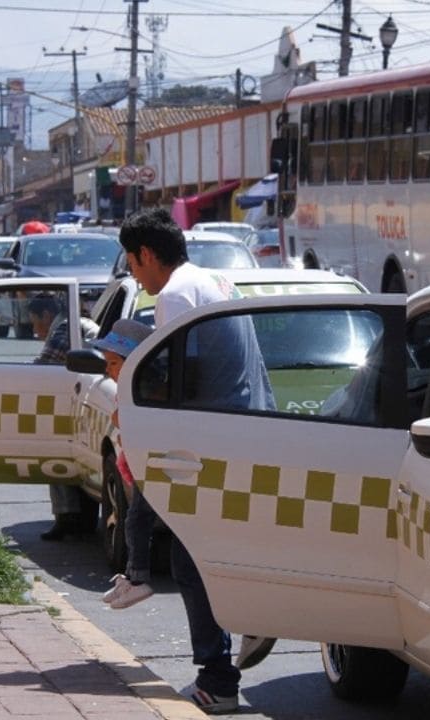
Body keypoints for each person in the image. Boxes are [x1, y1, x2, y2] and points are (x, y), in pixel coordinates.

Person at [118, 206, 276, 714]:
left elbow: (180, 382)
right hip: (246, 430)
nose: (133, 276)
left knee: (190, 561)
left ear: (147, 254)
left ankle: (218, 679)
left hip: (211, 442)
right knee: (217, 552)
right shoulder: (215, 281)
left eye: (132, 264)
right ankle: (253, 620)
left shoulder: (175, 295)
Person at [92, 318, 157, 610]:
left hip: (153, 467)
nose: (108, 369)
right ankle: (132, 576)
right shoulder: (129, 386)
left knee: (137, 521)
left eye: (114, 363)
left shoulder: (145, 388)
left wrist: (121, 417)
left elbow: (128, 419)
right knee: (135, 520)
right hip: (141, 466)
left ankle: (137, 578)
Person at [27, 293, 101, 540]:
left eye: (35, 322)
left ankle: (67, 517)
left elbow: (43, 368)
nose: (35, 330)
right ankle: (77, 518)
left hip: (86, 401)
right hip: (91, 397)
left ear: (46, 315)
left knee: (55, 452)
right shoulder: (69, 325)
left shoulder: (64, 328)